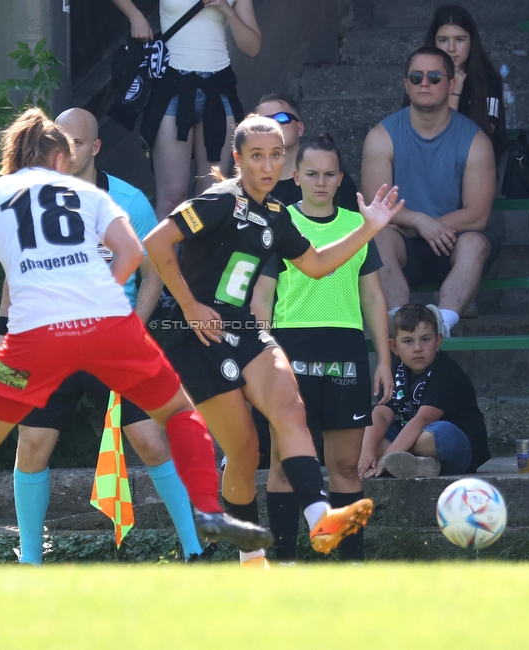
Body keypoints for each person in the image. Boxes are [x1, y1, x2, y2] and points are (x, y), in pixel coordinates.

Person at [0, 108, 274, 566]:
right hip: (109, 328)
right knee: (177, 413)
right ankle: (209, 516)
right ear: (59, 159)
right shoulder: (86, 193)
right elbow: (133, 252)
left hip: (35, 340)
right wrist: (98, 300)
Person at [144, 114, 402, 567]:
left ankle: (321, 518)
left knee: (289, 406)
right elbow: (155, 241)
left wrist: (368, 229)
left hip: (243, 328)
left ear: (285, 160)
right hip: (198, 336)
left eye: (275, 155)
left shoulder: (276, 214)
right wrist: (187, 305)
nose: (267, 165)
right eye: (257, 156)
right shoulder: (219, 200)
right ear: (239, 159)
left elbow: (318, 264)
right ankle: (251, 559)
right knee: (243, 453)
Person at [0, 107, 207, 564]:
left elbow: (154, 272)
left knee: (150, 439)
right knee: (31, 445)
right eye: (59, 142)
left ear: (96, 147)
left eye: (75, 143)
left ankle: (194, 550)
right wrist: (1, 328)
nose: (65, 152)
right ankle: (30, 562)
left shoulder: (127, 201)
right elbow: (17, 267)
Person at [249, 133, 392, 562]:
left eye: (330, 174)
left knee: (346, 465)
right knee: (284, 464)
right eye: (311, 173)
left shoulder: (359, 223)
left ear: (341, 178)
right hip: (289, 348)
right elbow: (261, 297)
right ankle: (284, 561)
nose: (321, 181)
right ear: (296, 177)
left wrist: (384, 357)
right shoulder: (279, 221)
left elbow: (372, 297)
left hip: (345, 347)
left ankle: (349, 565)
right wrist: (262, 353)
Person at [361, 46, 498, 337]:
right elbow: (376, 209)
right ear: (406, 85)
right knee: (377, 237)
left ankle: (441, 326)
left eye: (435, 77)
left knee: (475, 243)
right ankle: (403, 328)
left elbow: (477, 215)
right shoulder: (381, 137)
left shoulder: (474, 140)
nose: (425, 83)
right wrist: (418, 222)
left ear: (450, 85)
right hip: (403, 245)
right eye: (416, 76)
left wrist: (430, 225)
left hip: (453, 243)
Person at [110, 0, 261, 221]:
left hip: (219, 88)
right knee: (172, 196)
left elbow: (253, 47)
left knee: (212, 196)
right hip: (173, 86)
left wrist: (226, 9)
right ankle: (166, 255)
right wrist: (135, 15)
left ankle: (198, 255)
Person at [357, 304, 490, 479]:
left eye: (425, 339)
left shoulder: (446, 372)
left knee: (432, 436)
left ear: (438, 341)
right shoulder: (394, 372)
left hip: (454, 446)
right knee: (361, 432)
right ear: (394, 346)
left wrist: (385, 458)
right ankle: (420, 465)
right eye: (408, 341)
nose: (417, 348)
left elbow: (422, 420)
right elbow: (381, 414)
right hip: (411, 435)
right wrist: (366, 450)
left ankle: (396, 457)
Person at [416, 4, 506, 158]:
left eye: (459, 39)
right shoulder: (420, 80)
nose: (451, 48)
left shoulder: (488, 82)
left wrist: (455, 93)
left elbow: (482, 143)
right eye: (443, 40)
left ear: (471, 42)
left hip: (474, 168)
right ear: (434, 43)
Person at [253, 93, 361, 211]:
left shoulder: (330, 178)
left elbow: (353, 226)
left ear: (299, 128)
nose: (272, 125)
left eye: (281, 118)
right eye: (263, 121)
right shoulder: (247, 184)